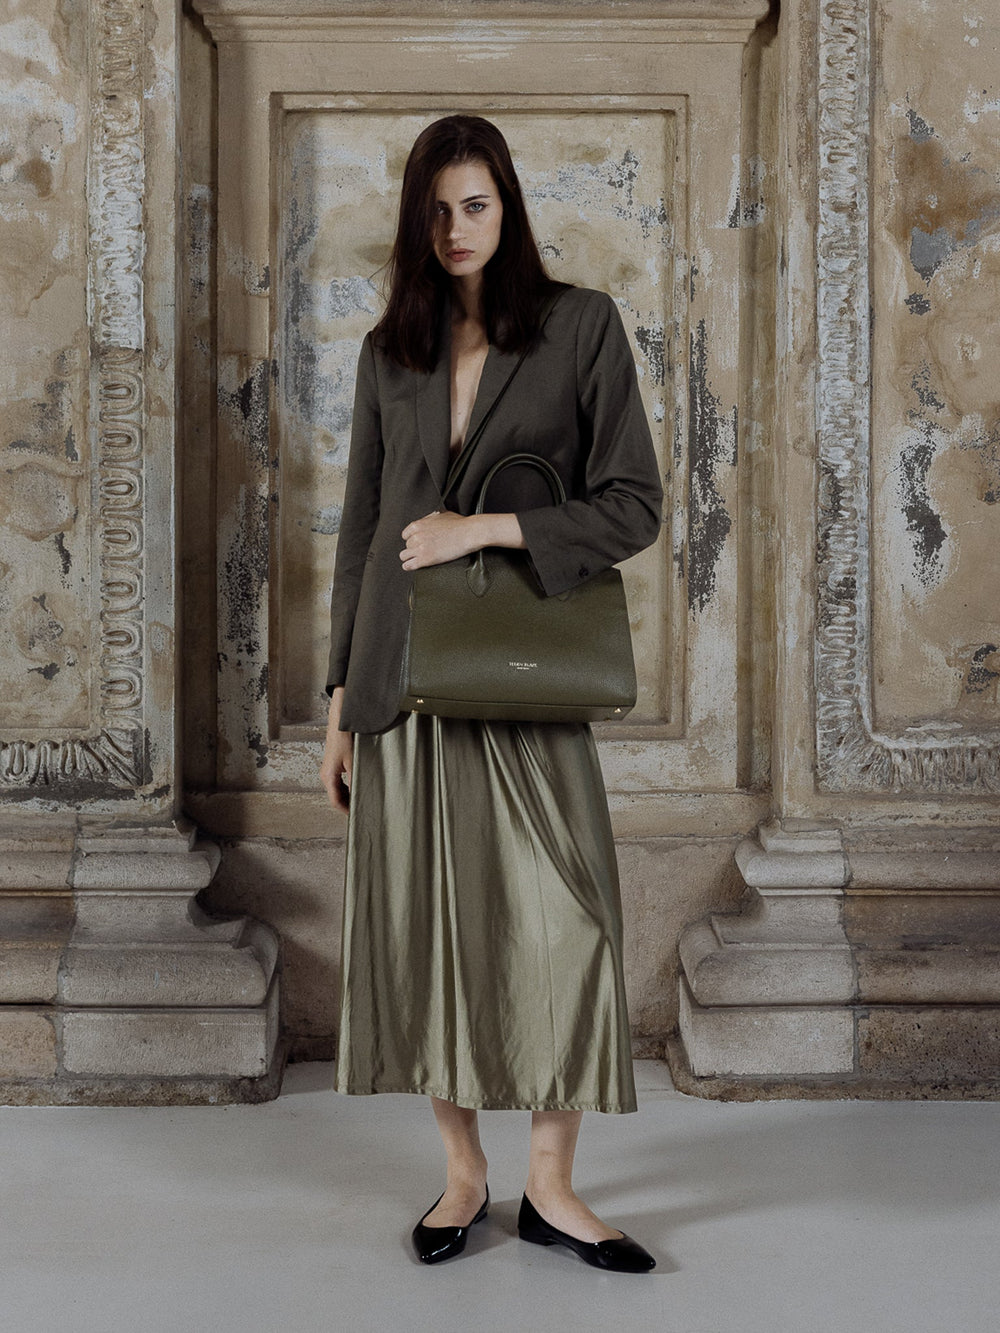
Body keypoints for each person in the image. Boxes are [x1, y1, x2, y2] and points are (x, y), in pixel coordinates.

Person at [319, 115, 662, 1272]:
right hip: (404, 679)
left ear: (507, 207)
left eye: (474, 204)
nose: (455, 228)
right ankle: (464, 1174)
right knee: (432, 932)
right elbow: (362, 532)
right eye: (435, 209)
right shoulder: (390, 351)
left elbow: (634, 502)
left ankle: (551, 1187)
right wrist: (339, 703)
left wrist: (486, 527)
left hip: (522, 674)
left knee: (571, 920)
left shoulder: (580, 327)